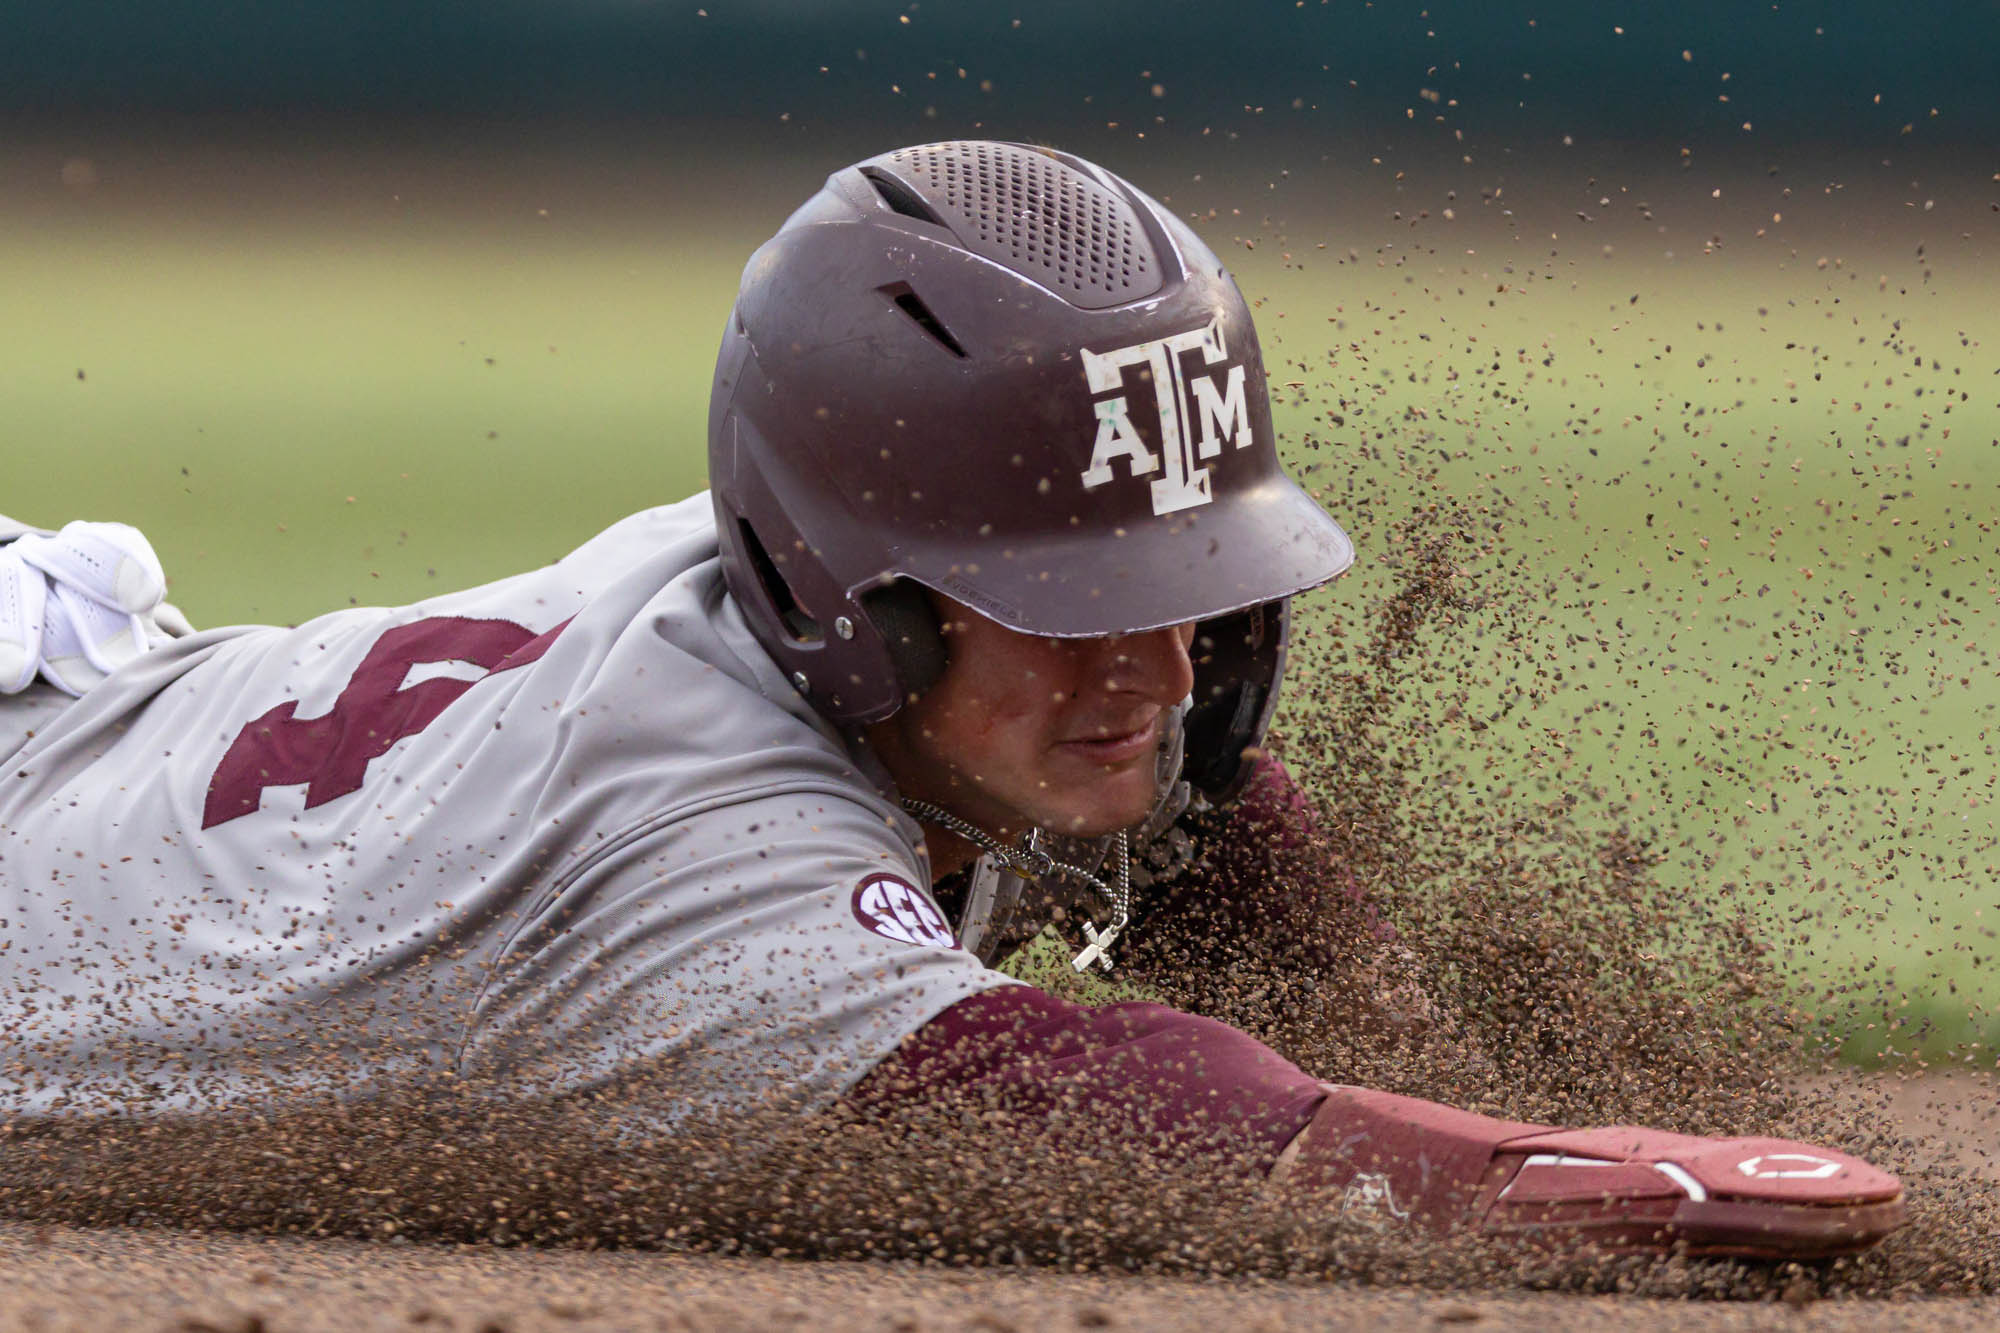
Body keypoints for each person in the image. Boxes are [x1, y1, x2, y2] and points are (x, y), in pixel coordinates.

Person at [0, 140, 1904, 1258]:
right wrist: (1525, 1170)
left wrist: (1456, 1040)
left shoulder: (796, 596)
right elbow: (1072, 1088)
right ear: (850, 598)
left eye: (1190, 587)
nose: (1155, 666)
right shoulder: (702, 852)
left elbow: (1206, 807)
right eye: (1072, 606)